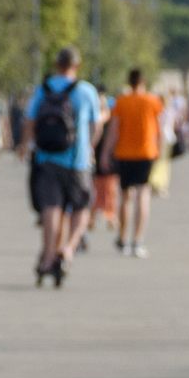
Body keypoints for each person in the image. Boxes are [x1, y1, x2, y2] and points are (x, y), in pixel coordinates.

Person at [22, 47, 101, 287]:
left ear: (56, 65)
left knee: (51, 207)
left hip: (46, 159)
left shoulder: (43, 90)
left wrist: (27, 146)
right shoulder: (86, 91)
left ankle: (47, 257)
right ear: (76, 65)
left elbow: (29, 120)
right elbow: (95, 126)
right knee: (81, 207)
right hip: (77, 161)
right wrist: (90, 149)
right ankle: (67, 249)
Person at [110, 68, 163, 259]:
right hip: (146, 152)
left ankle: (122, 239)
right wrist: (161, 150)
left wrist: (108, 151)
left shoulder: (121, 102)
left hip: (124, 152)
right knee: (143, 195)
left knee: (125, 197)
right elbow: (160, 129)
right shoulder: (152, 101)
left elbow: (114, 129)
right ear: (143, 81)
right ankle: (137, 241)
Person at [90, 92, 122, 252]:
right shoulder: (96, 118)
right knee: (97, 188)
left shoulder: (108, 119)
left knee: (109, 188)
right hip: (97, 157)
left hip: (108, 157)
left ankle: (110, 216)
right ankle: (95, 216)